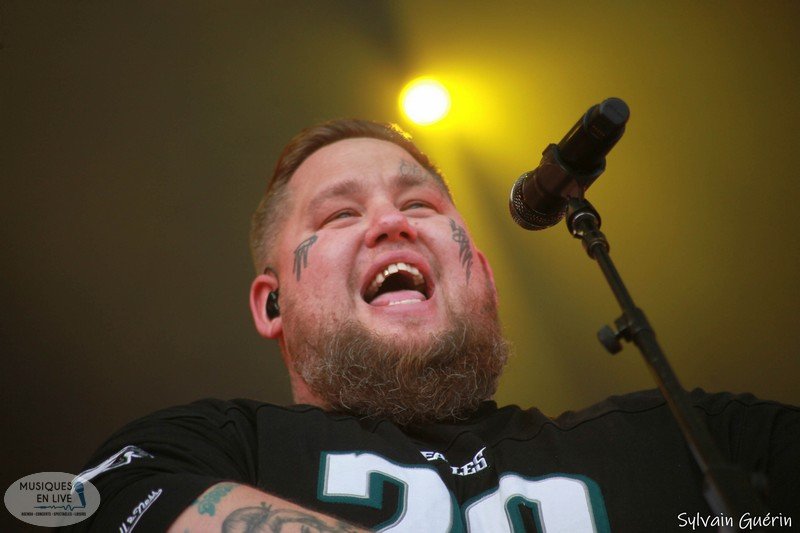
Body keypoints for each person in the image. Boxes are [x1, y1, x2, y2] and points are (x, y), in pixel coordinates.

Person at [64, 119, 798, 532]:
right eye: (340, 214)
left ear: (484, 274)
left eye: (420, 205)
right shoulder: (216, 449)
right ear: (272, 303)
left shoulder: (690, 441)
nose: (392, 223)